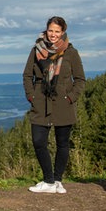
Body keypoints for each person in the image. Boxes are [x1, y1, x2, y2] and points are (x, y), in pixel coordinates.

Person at [22, 16, 85, 194]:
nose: (53, 35)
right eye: (51, 30)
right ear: (46, 30)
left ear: (63, 32)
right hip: (41, 101)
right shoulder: (36, 50)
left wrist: (71, 97)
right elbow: (27, 76)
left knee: (62, 143)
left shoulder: (71, 52)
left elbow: (80, 79)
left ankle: (57, 180)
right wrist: (31, 96)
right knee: (38, 141)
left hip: (63, 103)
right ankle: (48, 180)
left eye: (57, 31)